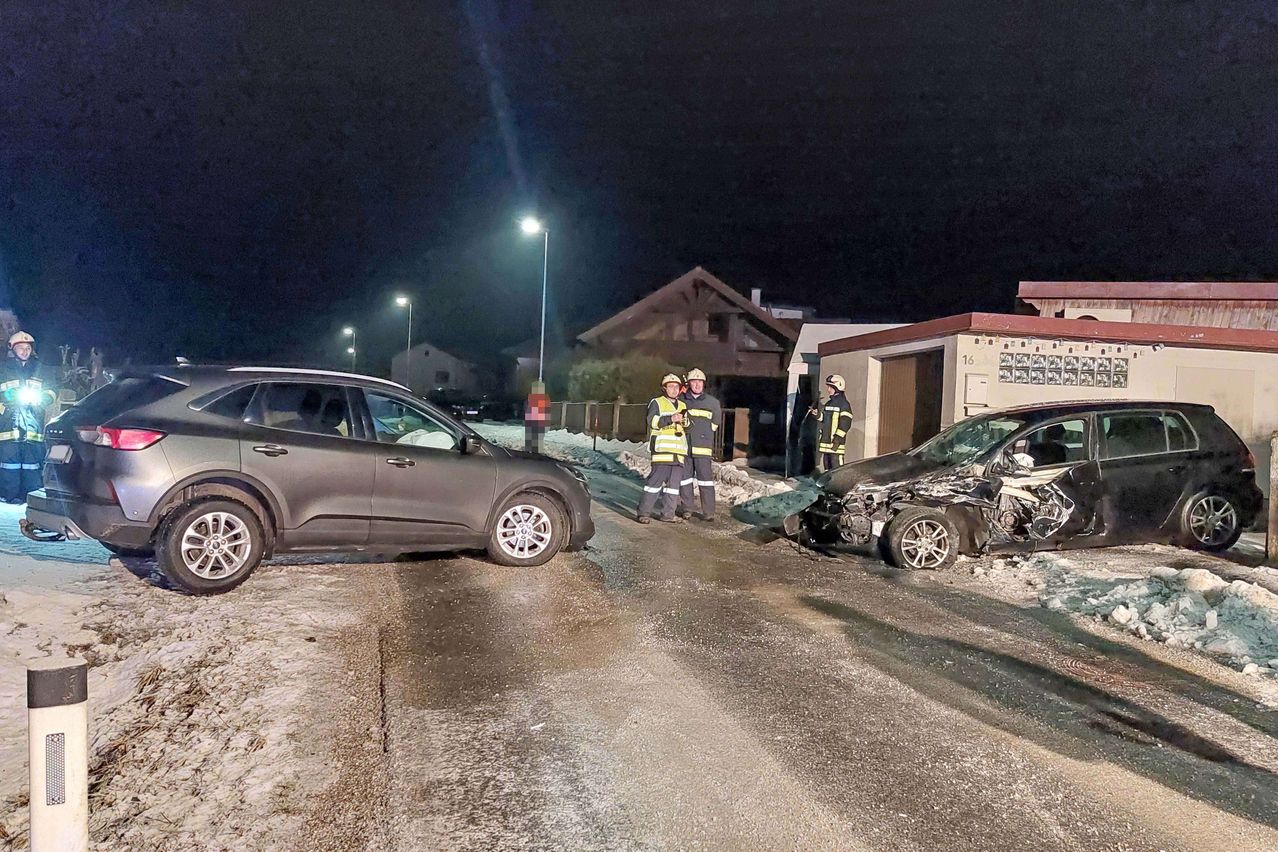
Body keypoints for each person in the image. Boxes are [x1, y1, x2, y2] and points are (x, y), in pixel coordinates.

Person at [0, 332, 56, 504]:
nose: (24, 351)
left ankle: (30, 497)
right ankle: (8, 496)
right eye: (20, 348)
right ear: (12, 349)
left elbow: (52, 391)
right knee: (10, 464)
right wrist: (9, 394)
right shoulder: (3, 368)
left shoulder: (41, 369)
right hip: (9, 424)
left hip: (33, 425)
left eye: (27, 348)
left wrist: (43, 399)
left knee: (32, 464)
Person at [636, 373, 689, 524]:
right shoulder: (657, 403)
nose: (673, 389)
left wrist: (685, 422)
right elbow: (652, 421)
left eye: (676, 387)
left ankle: (668, 514)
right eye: (670, 386)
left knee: (673, 488)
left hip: (678, 453)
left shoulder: (683, 406)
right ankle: (643, 513)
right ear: (664, 388)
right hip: (662, 451)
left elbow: (688, 426)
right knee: (654, 485)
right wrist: (671, 419)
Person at [678, 367, 721, 522]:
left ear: (704, 384)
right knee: (685, 480)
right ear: (689, 383)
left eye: (700, 382)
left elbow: (716, 422)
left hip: (703, 449)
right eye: (694, 382)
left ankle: (708, 511)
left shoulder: (713, 403)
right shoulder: (681, 401)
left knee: (706, 481)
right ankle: (687, 509)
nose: (697, 385)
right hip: (685, 447)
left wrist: (706, 434)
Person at [815, 374, 853, 471]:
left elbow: (846, 423)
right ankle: (829, 486)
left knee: (837, 470)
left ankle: (839, 486)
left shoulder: (844, 404)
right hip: (826, 444)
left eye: (830, 387)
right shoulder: (829, 403)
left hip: (835, 444)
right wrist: (817, 415)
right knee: (828, 470)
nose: (828, 390)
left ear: (837, 387)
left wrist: (837, 439)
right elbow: (825, 419)